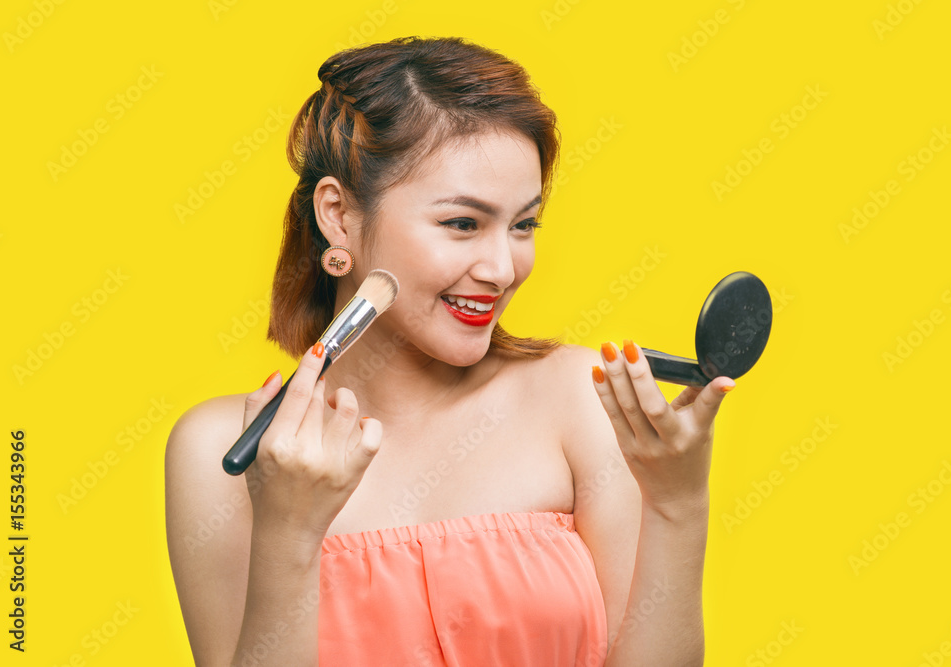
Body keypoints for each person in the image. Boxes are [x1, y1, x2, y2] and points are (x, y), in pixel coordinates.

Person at [164, 36, 735, 667]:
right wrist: (290, 535)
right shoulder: (224, 451)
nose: (501, 267)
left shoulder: (578, 398)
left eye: (523, 225)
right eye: (462, 223)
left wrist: (679, 506)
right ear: (338, 215)